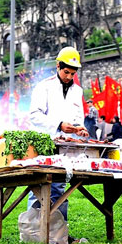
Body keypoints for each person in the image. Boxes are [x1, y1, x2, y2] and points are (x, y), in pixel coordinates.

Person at [28, 46, 88, 223]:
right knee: (40, 186)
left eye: (72, 74)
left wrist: (80, 129)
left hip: (65, 146)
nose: (69, 77)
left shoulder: (78, 91)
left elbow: (78, 117)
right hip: (45, 143)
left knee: (59, 185)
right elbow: (34, 116)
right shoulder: (44, 87)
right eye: (66, 72)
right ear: (58, 66)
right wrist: (59, 125)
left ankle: (58, 230)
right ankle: (33, 227)